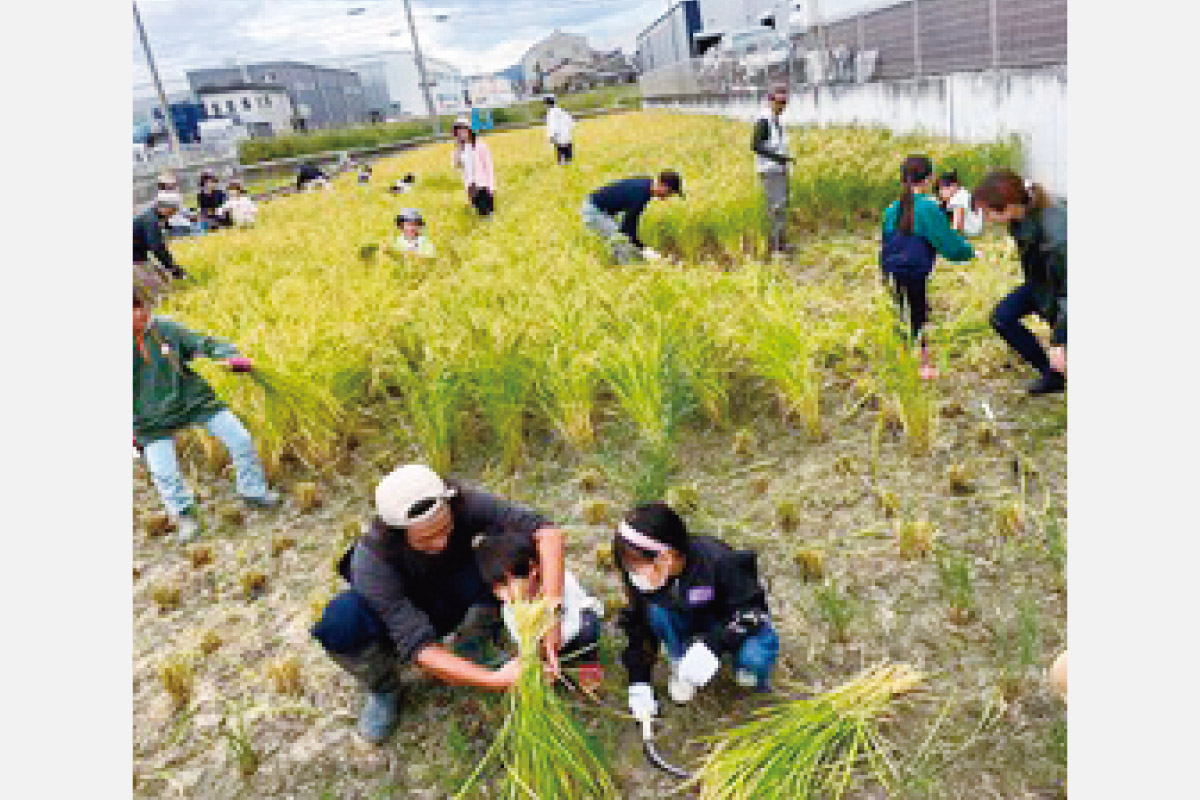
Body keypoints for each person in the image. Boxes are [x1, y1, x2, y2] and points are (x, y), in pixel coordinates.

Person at [310, 464, 568, 744]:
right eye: (426, 539)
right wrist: (495, 680)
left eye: (446, 529)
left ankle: (474, 640)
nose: (442, 541)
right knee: (341, 621)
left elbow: (546, 532)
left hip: (456, 587)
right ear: (399, 533)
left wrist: (549, 614)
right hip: (404, 616)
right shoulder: (372, 562)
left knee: (514, 545)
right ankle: (385, 689)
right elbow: (417, 646)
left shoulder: (463, 502)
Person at [133, 289, 279, 543]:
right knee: (164, 472)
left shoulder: (165, 329)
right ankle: (185, 515)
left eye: (141, 307)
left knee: (241, 439)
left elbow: (204, 343)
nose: (141, 314)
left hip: (193, 400)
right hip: (149, 419)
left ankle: (253, 491)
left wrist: (230, 356)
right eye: (133, 311)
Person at [616, 503, 779, 724]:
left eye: (640, 565)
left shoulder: (720, 561)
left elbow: (752, 613)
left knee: (754, 657)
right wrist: (639, 681)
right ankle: (682, 664)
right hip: (687, 618)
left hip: (730, 619)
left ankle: (745, 668)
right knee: (657, 611)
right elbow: (638, 622)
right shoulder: (640, 575)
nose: (633, 574)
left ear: (667, 557)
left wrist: (714, 645)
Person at [973, 168, 1067, 395]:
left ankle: (1059, 364)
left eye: (987, 213)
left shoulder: (1056, 233)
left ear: (1007, 205)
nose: (986, 219)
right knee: (1002, 317)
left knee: (1063, 342)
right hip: (1041, 285)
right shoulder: (1020, 217)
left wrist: (1059, 339)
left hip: (1064, 291)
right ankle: (1052, 374)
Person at [880, 155, 975, 380]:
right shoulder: (928, 208)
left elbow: (885, 243)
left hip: (889, 268)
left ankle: (902, 360)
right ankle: (923, 367)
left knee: (899, 313)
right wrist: (969, 252)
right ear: (929, 178)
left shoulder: (891, 209)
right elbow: (948, 242)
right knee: (918, 313)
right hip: (914, 269)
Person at [475, 527, 605, 687]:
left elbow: (572, 621)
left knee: (588, 630)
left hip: (574, 627)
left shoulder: (559, 583)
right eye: (498, 586)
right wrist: (535, 651)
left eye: (513, 580)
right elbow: (519, 634)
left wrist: (552, 644)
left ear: (532, 569)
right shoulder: (510, 604)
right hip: (543, 642)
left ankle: (589, 667)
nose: (507, 593)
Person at [581, 171, 684, 264]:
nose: (668, 196)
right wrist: (644, 250)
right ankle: (629, 271)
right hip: (595, 211)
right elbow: (627, 228)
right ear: (662, 185)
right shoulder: (640, 194)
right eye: (669, 192)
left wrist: (640, 248)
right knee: (621, 242)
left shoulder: (646, 184)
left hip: (601, 210)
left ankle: (620, 265)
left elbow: (629, 222)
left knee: (622, 242)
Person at [752, 83, 795, 256]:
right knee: (774, 209)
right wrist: (779, 158)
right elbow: (755, 145)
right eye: (779, 102)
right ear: (770, 100)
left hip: (779, 170)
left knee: (782, 207)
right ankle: (775, 248)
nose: (782, 106)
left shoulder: (776, 120)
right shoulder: (764, 120)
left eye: (785, 102)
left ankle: (781, 245)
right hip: (770, 172)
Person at [133, 192, 189, 280]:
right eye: (173, 209)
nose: (174, 212)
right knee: (153, 285)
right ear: (163, 207)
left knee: (161, 278)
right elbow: (157, 248)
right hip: (135, 258)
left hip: (139, 255)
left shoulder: (155, 215)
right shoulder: (151, 220)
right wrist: (174, 268)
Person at [451, 117, 496, 216]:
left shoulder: (480, 146)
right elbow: (456, 166)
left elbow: (488, 167)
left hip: (483, 185)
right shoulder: (459, 150)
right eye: (458, 132)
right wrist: (458, 148)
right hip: (471, 187)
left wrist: (491, 187)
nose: (461, 134)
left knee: (486, 214)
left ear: (469, 131)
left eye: (463, 130)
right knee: (480, 214)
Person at [935, 170, 984, 237]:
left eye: (943, 189)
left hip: (972, 230)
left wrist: (951, 236)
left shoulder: (959, 197)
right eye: (940, 189)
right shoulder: (961, 193)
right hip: (974, 228)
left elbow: (958, 222)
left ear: (954, 186)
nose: (941, 192)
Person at [544, 95, 575, 165]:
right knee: (569, 159)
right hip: (567, 136)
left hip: (559, 137)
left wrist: (551, 137)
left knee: (561, 158)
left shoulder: (551, 113)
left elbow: (553, 126)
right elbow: (571, 122)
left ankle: (563, 166)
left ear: (547, 104)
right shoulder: (561, 110)